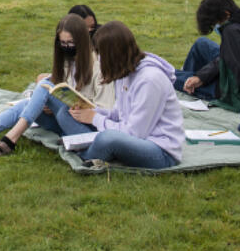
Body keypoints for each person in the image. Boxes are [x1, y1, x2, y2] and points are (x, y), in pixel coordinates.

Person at [0, 12, 114, 156]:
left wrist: (83, 111)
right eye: (63, 43)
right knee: (37, 96)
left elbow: (109, 113)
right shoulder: (68, 62)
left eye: (71, 43)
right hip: (64, 121)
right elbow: (61, 89)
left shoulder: (100, 67)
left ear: (82, 42)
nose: (67, 47)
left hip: (88, 132)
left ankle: (7, 139)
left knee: (45, 86)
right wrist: (50, 105)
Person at [73, 21, 184, 171]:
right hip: (132, 137)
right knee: (63, 112)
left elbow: (135, 133)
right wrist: (92, 111)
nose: (98, 59)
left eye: (99, 53)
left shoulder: (149, 80)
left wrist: (95, 119)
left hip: (160, 151)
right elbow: (119, 114)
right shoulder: (125, 73)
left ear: (112, 55)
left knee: (107, 139)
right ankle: (85, 146)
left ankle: (83, 155)